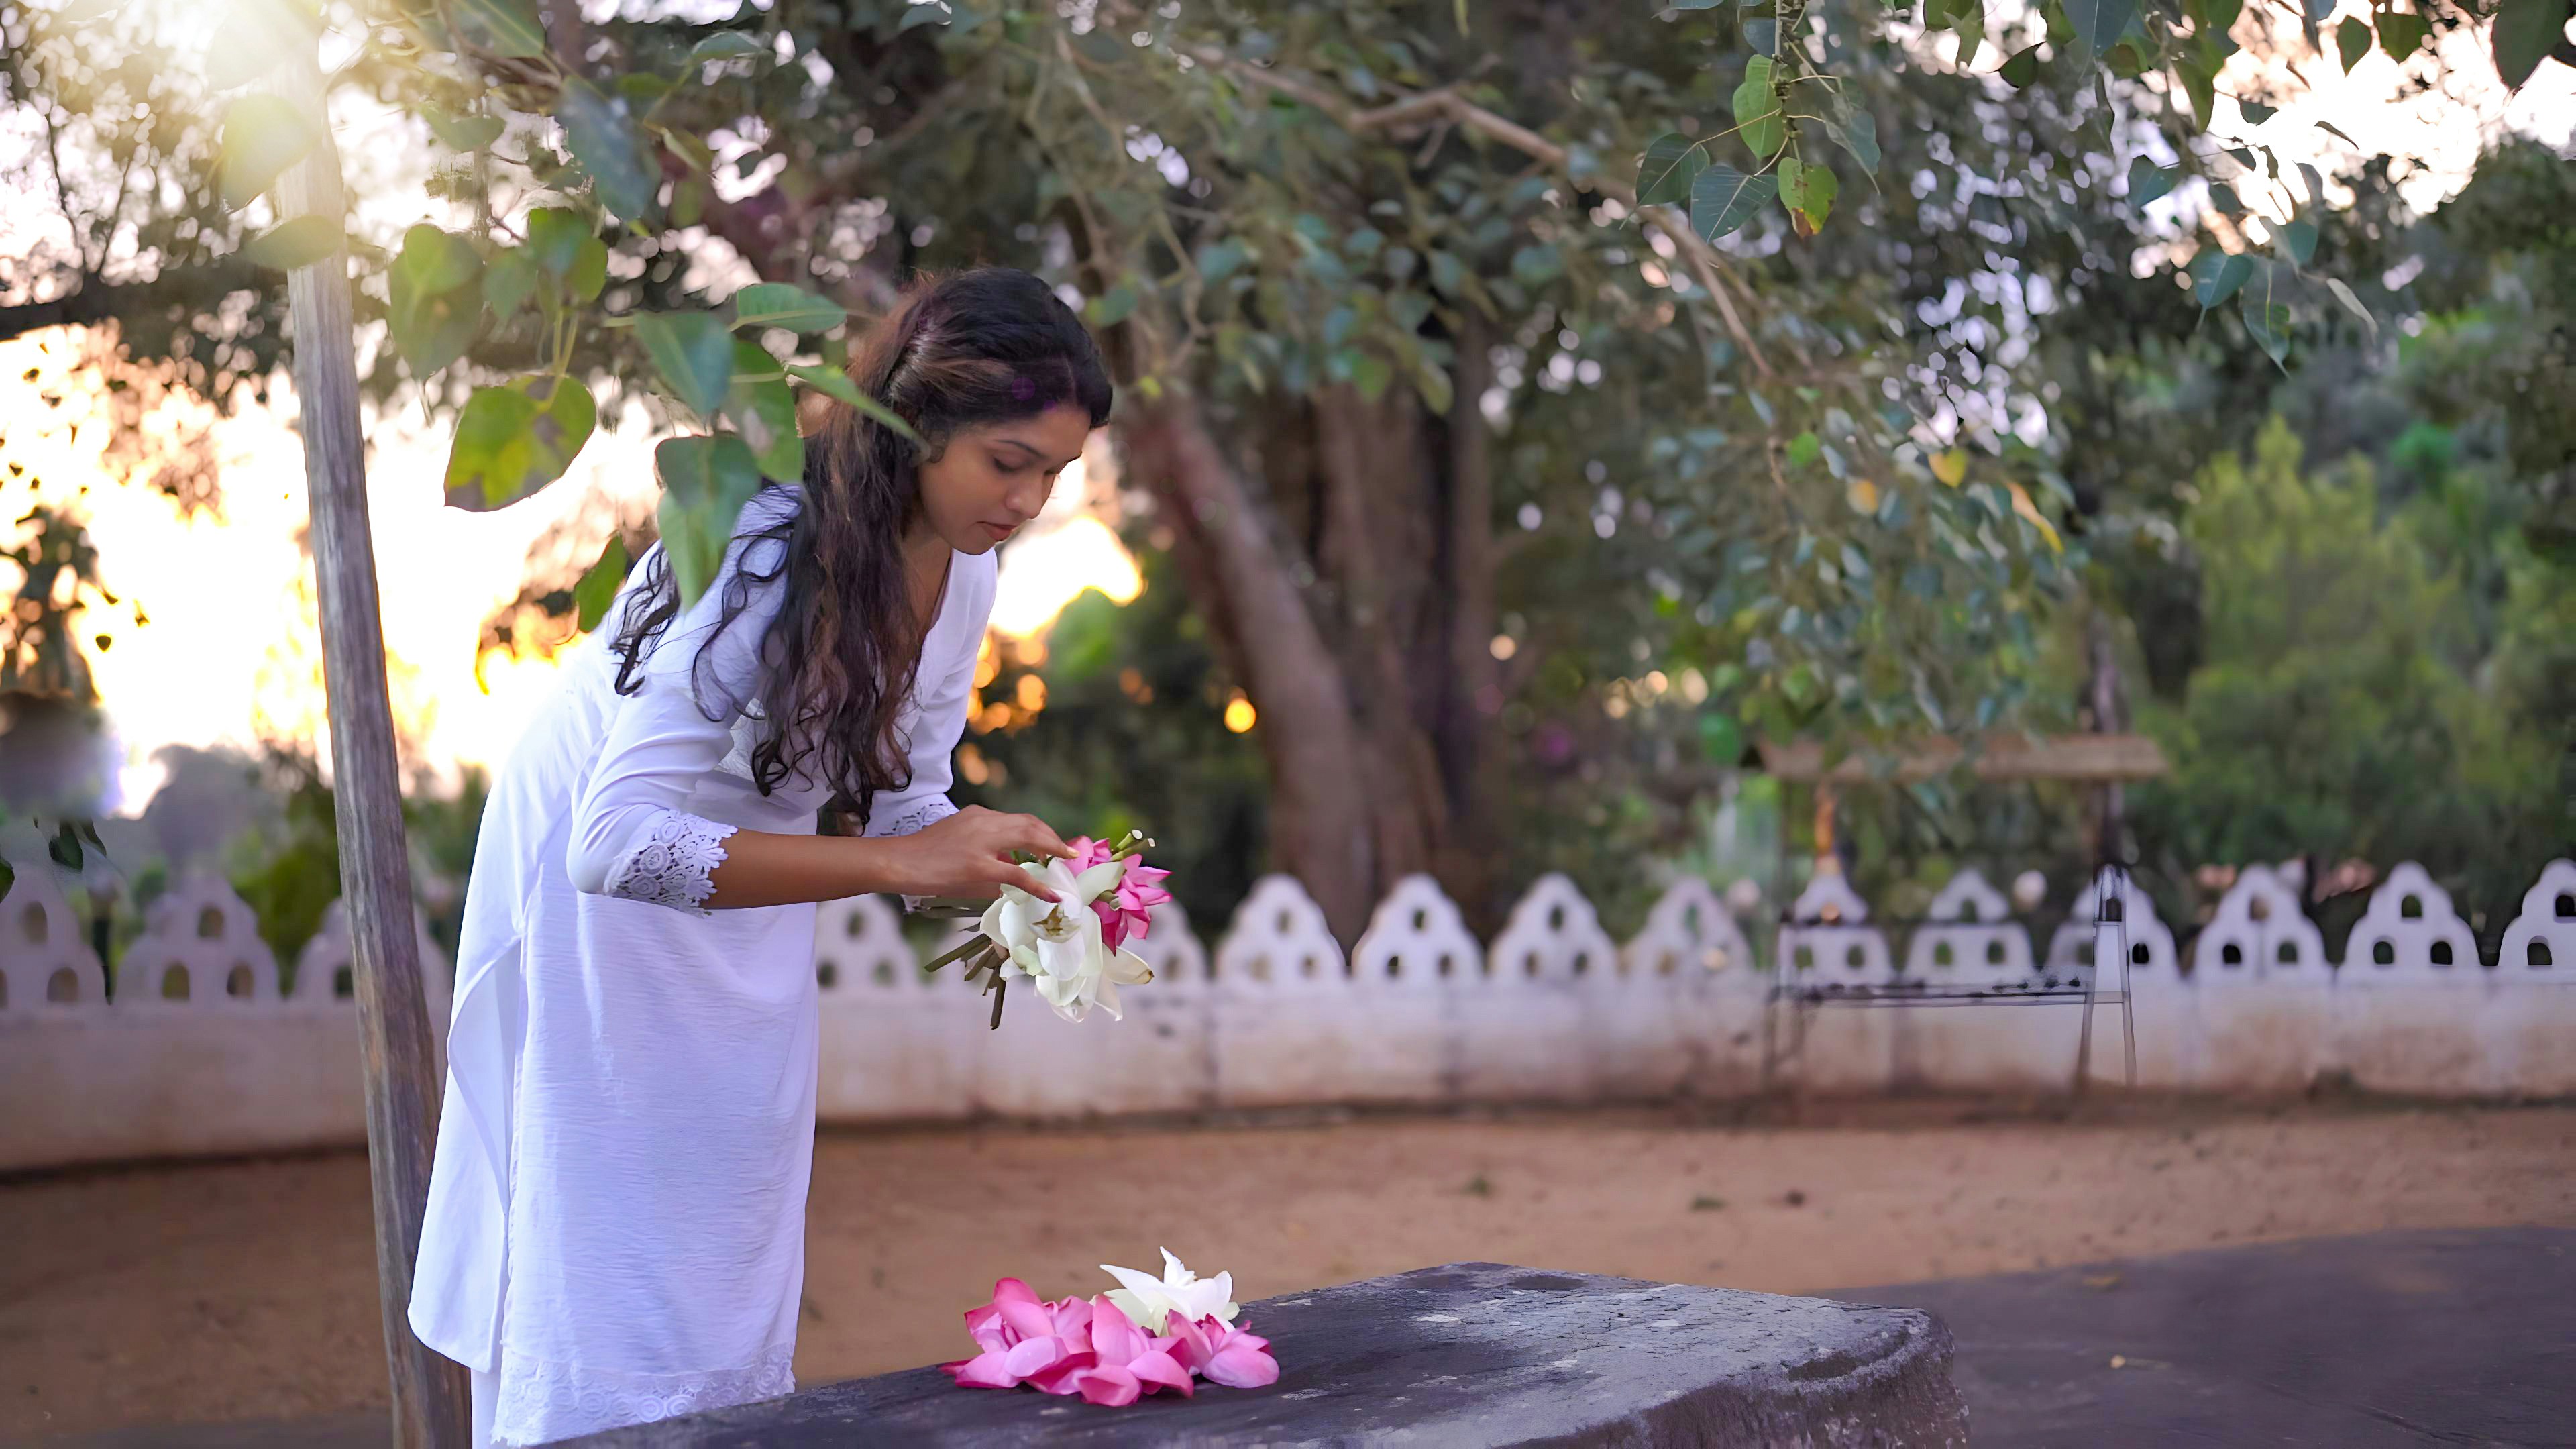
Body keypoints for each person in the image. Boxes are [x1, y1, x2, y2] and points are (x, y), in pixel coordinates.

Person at [409, 268, 1112, 1447]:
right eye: (1009, 462)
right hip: (601, 867)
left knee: (734, 1184)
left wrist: (1038, 893)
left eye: (1056, 471)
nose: (1031, 498)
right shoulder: (766, 545)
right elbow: (613, 844)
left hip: (755, 865)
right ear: (917, 423)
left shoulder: (967, 570)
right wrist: (899, 869)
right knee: (613, 1219)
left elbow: (908, 805)